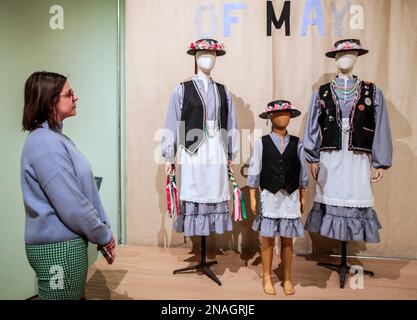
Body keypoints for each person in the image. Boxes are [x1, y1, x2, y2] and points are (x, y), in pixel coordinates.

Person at [21, 71, 116, 300]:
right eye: (69, 93)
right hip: (58, 251)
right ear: (50, 101)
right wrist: (103, 235)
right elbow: (72, 204)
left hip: (62, 247)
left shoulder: (54, 139)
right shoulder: (45, 143)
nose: (76, 97)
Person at [248, 100, 308, 295]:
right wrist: (253, 196)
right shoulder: (261, 143)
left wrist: (303, 195)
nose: (284, 116)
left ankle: (288, 276)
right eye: (280, 113)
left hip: (290, 195)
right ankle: (267, 275)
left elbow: (303, 171)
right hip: (269, 195)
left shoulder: (297, 143)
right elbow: (255, 169)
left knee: (287, 238)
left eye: (287, 113)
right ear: (271, 117)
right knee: (267, 239)